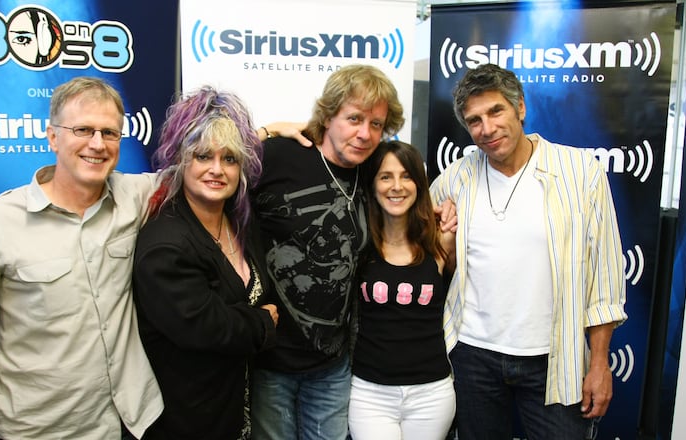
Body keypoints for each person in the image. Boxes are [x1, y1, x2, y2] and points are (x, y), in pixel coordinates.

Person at [0, 76, 163, 439]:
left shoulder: (134, 195)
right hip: (40, 431)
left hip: (132, 422)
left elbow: (202, 172)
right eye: (83, 129)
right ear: (52, 137)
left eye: (109, 133)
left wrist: (263, 131)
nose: (97, 144)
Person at [429, 63, 628, 439]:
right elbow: (419, 236)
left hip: (555, 359)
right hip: (472, 356)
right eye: (474, 121)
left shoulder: (580, 171)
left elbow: (604, 276)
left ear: (520, 107)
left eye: (495, 111)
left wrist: (599, 361)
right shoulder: (457, 176)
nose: (486, 129)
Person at [249, 64, 406, 440]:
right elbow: (208, 166)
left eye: (376, 124)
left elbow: (407, 195)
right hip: (271, 361)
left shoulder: (372, 171)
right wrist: (264, 132)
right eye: (354, 119)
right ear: (328, 115)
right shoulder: (279, 154)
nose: (365, 134)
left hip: (333, 365)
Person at [131, 86, 279, 440]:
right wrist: (263, 323)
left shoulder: (239, 222)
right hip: (187, 421)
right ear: (181, 159)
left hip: (237, 411)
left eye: (229, 159)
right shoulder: (165, 242)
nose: (217, 170)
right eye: (202, 156)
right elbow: (204, 327)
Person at [349, 140, 456, 440]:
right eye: (386, 177)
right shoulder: (357, 245)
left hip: (431, 393)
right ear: (372, 186)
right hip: (370, 393)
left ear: (419, 185)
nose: (396, 186)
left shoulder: (441, 242)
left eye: (406, 176)